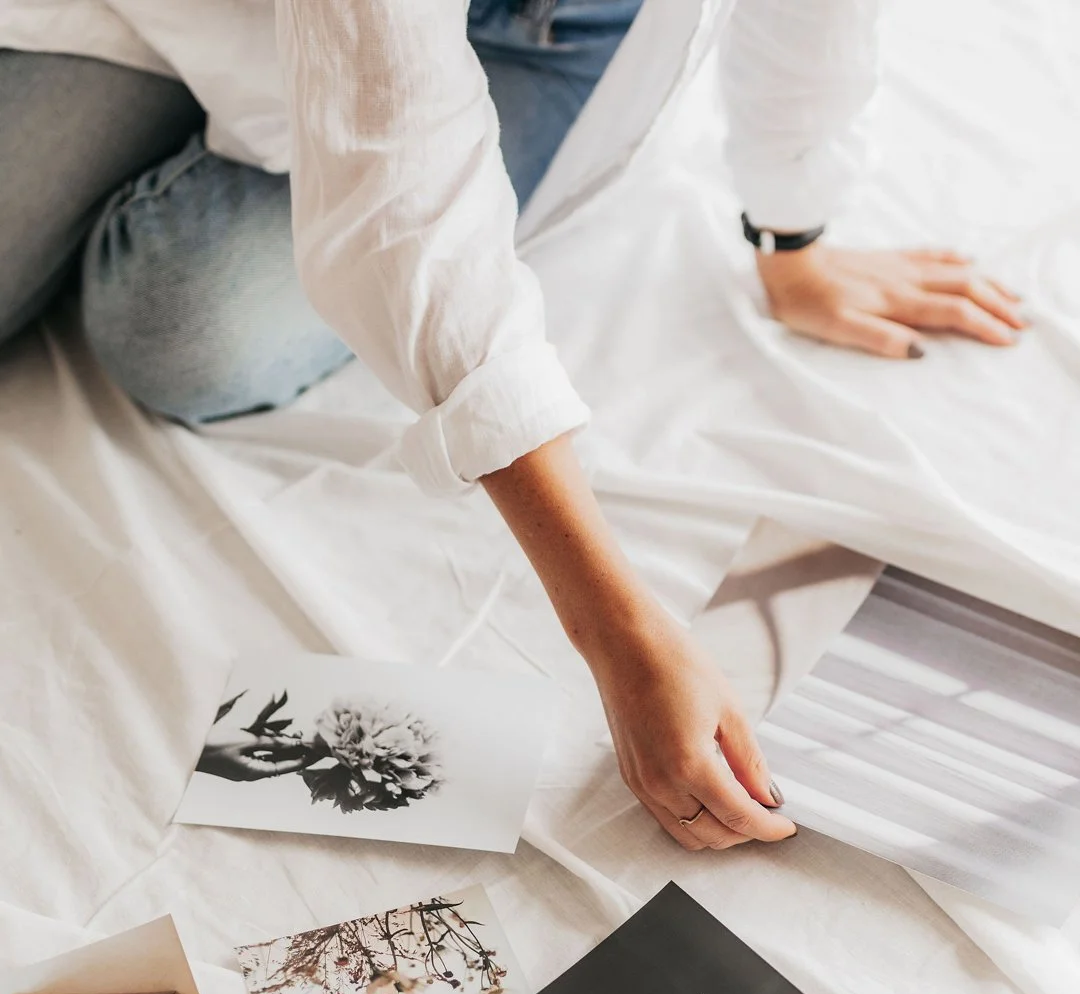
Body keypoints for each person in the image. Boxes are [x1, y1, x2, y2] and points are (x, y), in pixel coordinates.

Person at [0, 1, 1025, 853]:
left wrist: (792, 228)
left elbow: (405, 194)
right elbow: (399, 183)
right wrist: (619, 629)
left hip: (544, 38)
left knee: (172, 332)